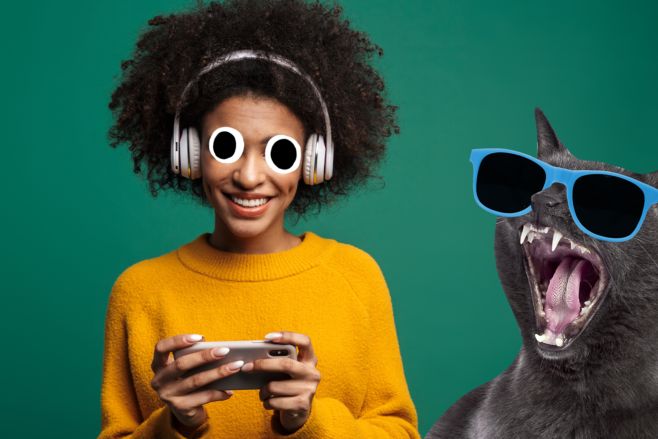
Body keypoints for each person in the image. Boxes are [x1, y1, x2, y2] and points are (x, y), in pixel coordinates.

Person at [98, 1, 418, 438]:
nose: (249, 177)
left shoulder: (356, 278)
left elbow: (399, 432)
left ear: (313, 161)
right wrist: (176, 425)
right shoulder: (139, 293)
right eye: (225, 147)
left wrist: (309, 421)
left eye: (279, 153)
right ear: (189, 154)